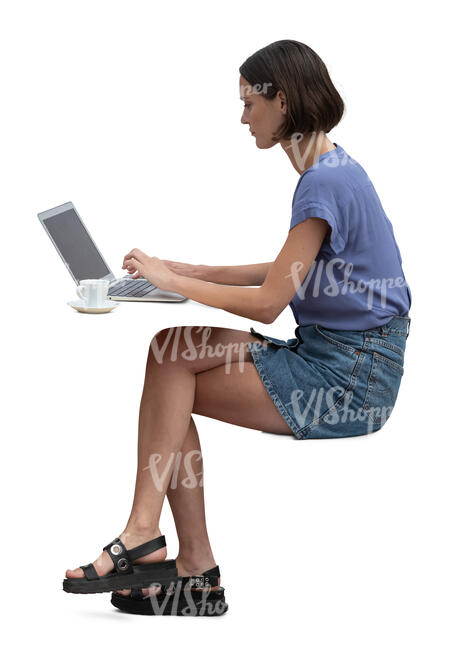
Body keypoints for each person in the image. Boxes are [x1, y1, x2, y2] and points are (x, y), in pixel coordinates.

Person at [63, 39, 412, 615]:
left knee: (171, 381)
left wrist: (174, 284)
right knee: (170, 355)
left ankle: (160, 547)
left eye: (249, 101)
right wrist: (187, 269)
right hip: (339, 354)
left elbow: (271, 300)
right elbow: (292, 270)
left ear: (281, 100)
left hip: (353, 378)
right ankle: (180, 561)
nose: (243, 115)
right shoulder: (332, 168)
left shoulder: (323, 181)